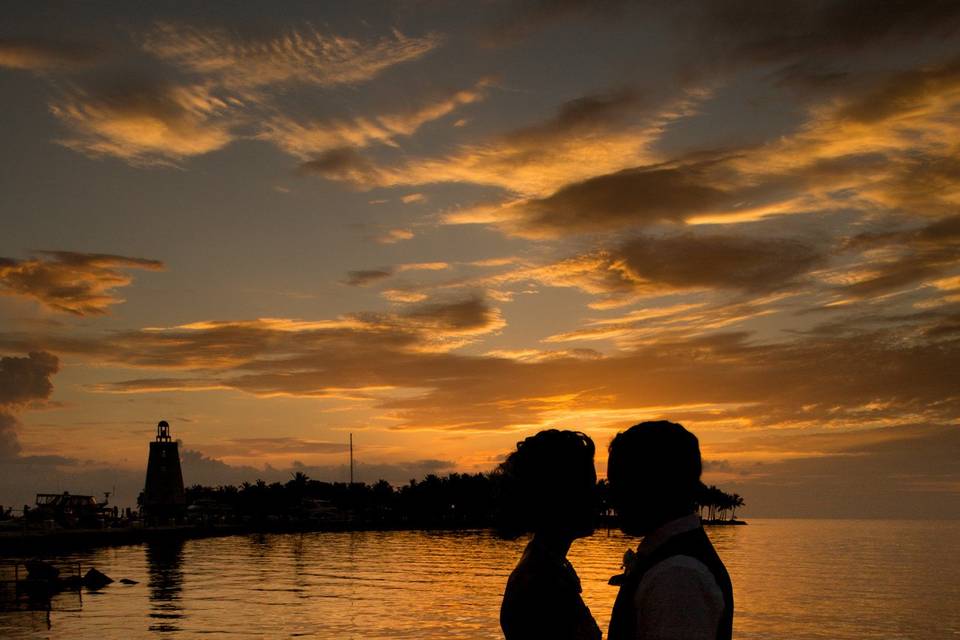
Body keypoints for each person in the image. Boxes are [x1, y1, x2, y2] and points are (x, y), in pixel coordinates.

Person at [606, 421, 733, 640]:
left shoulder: (678, 575)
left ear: (655, 484)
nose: (612, 496)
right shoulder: (673, 563)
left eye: (621, 483)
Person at [498, 429, 602, 640]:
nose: (598, 498)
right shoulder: (542, 584)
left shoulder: (547, 566)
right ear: (558, 496)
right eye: (587, 487)